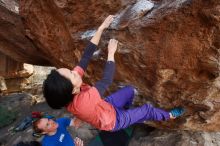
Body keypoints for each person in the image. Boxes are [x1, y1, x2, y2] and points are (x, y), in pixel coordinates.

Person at [43, 15, 185, 132]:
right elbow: (106, 80)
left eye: (71, 71)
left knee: (130, 91)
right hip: (113, 121)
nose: (75, 71)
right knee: (147, 109)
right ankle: (168, 115)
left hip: (106, 106)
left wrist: (101, 28)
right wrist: (111, 53)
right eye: (72, 74)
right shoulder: (82, 103)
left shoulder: (70, 90)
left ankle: (130, 116)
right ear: (73, 90)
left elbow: (85, 57)